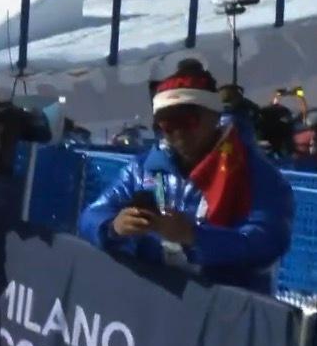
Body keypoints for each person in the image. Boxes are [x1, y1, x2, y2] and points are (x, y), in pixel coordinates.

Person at [79, 62, 294, 293]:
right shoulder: (143, 168)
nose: (179, 132)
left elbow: (268, 242)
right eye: (167, 124)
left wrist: (195, 237)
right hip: (156, 298)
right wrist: (113, 227)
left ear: (213, 116)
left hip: (224, 306)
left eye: (188, 121)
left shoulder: (254, 173)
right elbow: (91, 214)